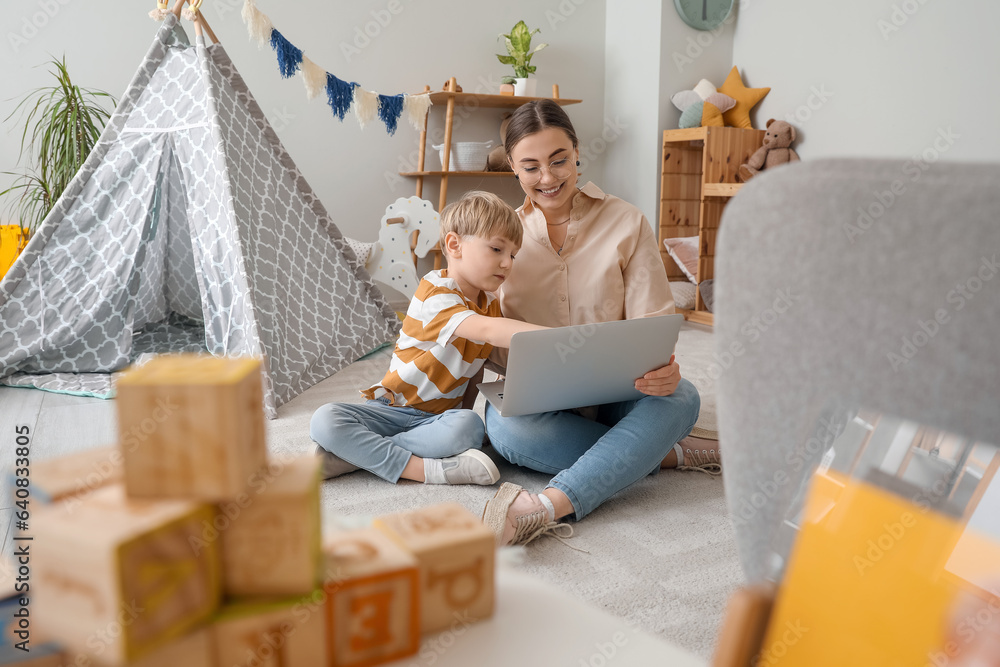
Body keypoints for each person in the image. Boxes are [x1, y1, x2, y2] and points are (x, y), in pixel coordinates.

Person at [481, 100, 717, 547]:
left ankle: (546, 505)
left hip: (619, 391)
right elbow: (481, 332)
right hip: (538, 401)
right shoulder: (499, 238)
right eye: (531, 167)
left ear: (577, 154)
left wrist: (664, 369)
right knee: (509, 429)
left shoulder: (627, 221)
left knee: (682, 398)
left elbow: (653, 323)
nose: (548, 178)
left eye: (559, 160)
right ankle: (664, 453)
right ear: (511, 166)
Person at [310, 191, 544, 486]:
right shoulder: (435, 292)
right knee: (325, 419)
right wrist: (557, 339)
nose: (507, 263)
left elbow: (474, 370)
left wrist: (461, 414)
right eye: (497, 249)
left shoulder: (489, 306)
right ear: (454, 245)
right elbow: (486, 331)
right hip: (391, 410)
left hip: (435, 420)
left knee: (469, 426)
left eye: (513, 255)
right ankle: (425, 470)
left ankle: (351, 457)